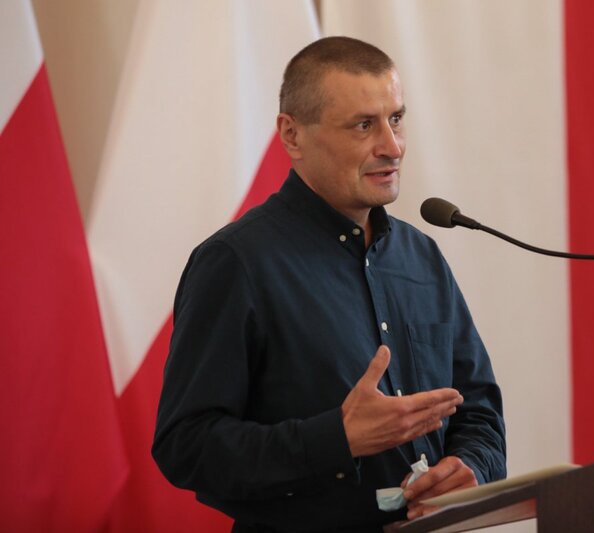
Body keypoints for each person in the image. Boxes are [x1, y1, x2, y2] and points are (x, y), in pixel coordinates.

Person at [152, 36, 506, 532]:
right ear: (292, 135)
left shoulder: (420, 256)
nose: (393, 146)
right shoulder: (235, 263)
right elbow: (185, 446)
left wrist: (471, 468)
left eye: (397, 118)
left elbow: (480, 410)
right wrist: (335, 440)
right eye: (364, 125)